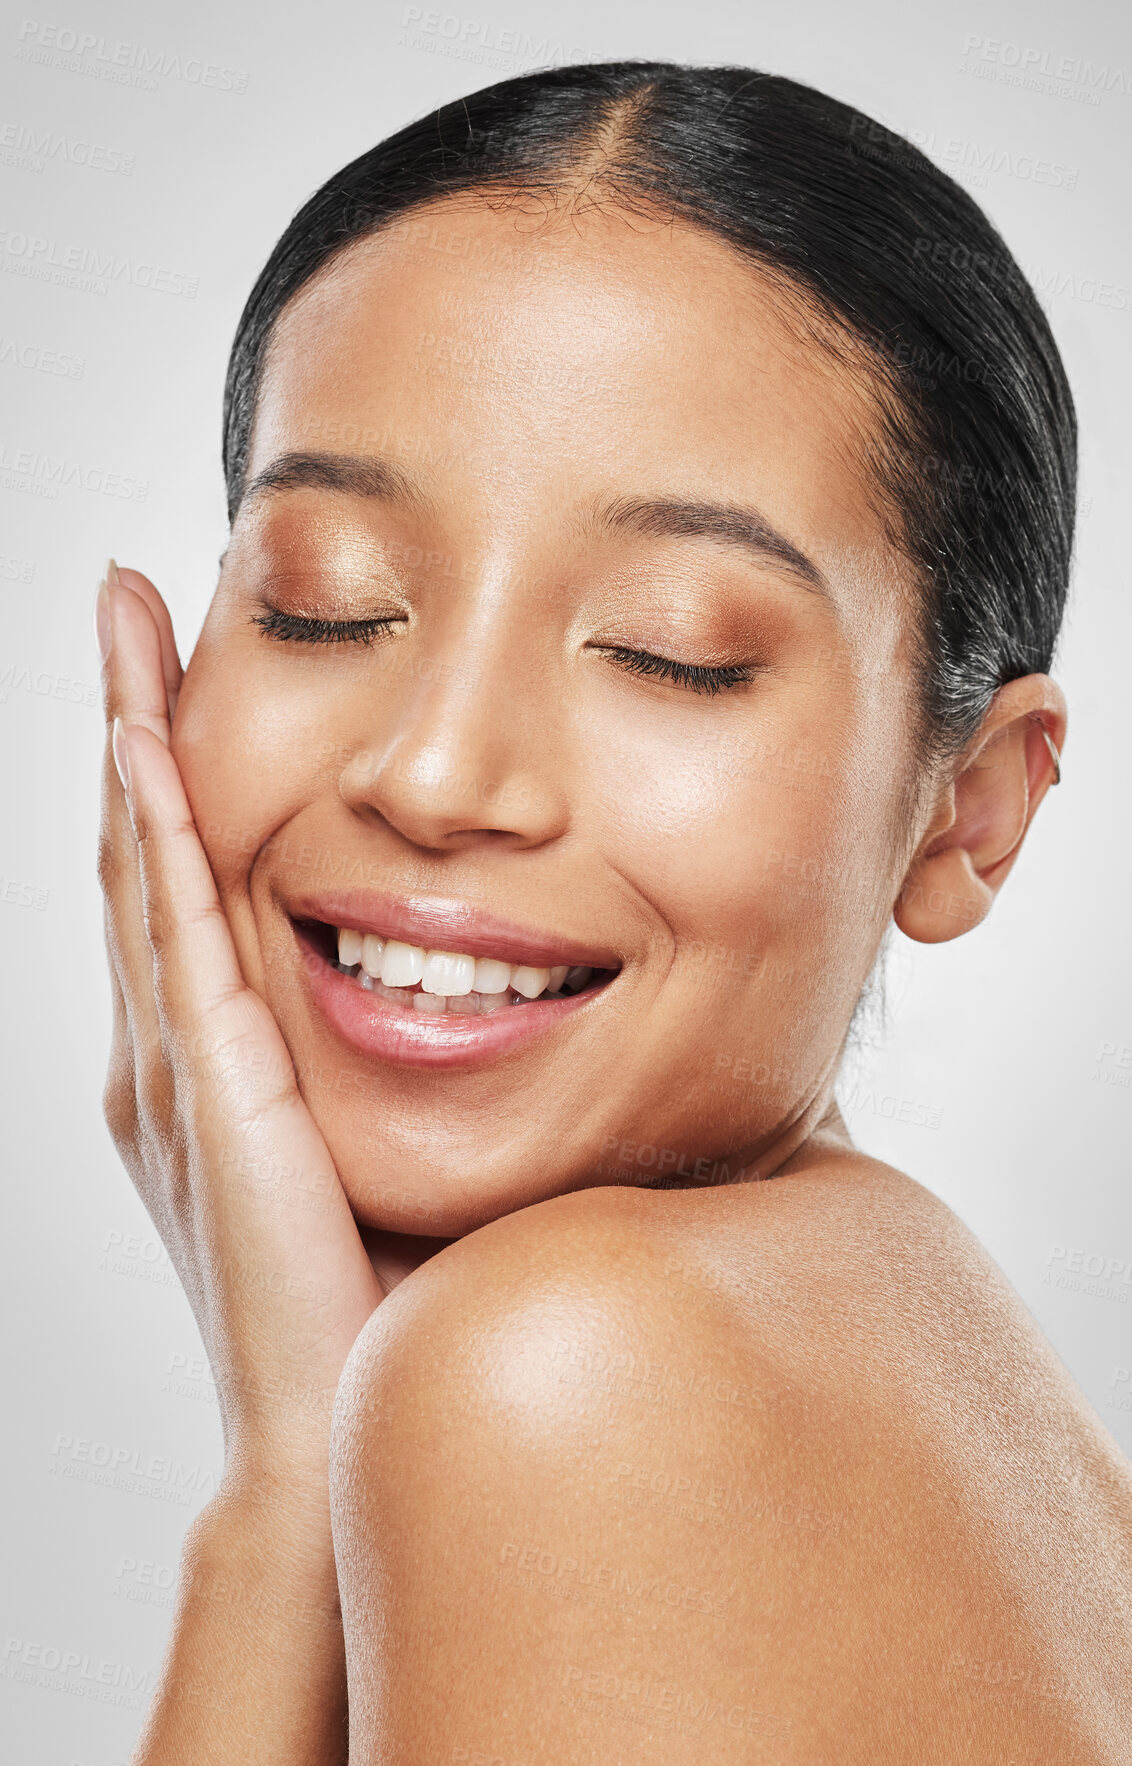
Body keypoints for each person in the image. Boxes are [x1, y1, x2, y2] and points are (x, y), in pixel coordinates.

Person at [95, 59, 1132, 1764]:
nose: (435, 774)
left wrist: (280, 1498)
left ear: (973, 807)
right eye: (324, 602)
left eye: (672, 648)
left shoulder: (578, 1371)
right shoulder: (941, 1368)